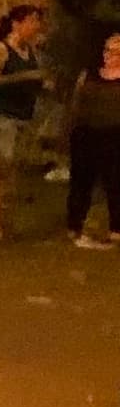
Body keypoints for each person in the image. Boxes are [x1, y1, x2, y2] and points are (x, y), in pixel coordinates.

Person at [0, 1, 50, 242]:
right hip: (0, 114)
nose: (36, 26)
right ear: (17, 24)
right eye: (32, 21)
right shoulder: (1, 50)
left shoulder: (32, 53)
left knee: (12, 169)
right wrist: (23, 76)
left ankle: (4, 221)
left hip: (22, 115)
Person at [66, 27, 120, 249]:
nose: (109, 55)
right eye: (107, 50)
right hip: (86, 133)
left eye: (115, 51)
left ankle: (116, 229)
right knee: (81, 181)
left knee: (115, 182)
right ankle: (74, 225)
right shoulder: (88, 74)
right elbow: (76, 103)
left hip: (114, 134)